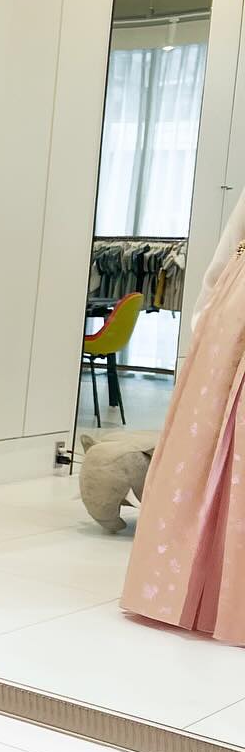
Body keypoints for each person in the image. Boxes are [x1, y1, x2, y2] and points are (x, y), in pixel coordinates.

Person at [123, 187, 245, 643]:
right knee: (210, 447)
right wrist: (207, 317)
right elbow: (233, 240)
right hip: (235, 313)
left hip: (233, 310)